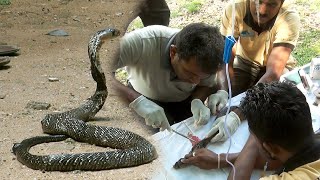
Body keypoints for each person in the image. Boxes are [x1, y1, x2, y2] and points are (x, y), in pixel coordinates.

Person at [180, 81, 320, 179]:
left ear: (269, 147)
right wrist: (221, 159)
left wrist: (255, 133)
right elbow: (283, 157)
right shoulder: (302, 147)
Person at [205, 0, 301, 143]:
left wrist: (238, 114)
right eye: (258, 1)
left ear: (281, 3)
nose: (262, 10)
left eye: (272, 4)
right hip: (245, 62)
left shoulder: (288, 19)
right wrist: (223, 91)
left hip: (278, 69)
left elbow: (273, 73)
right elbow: (225, 60)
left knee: (273, 110)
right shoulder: (235, 10)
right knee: (221, 97)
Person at [111, 23, 228, 131]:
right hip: (144, 99)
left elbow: (205, 84)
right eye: (190, 73)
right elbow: (96, 71)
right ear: (173, 52)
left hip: (185, 101)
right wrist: (136, 100)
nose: (196, 81)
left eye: (201, 77)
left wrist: (197, 100)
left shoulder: (209, 58)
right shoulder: (141, 42)